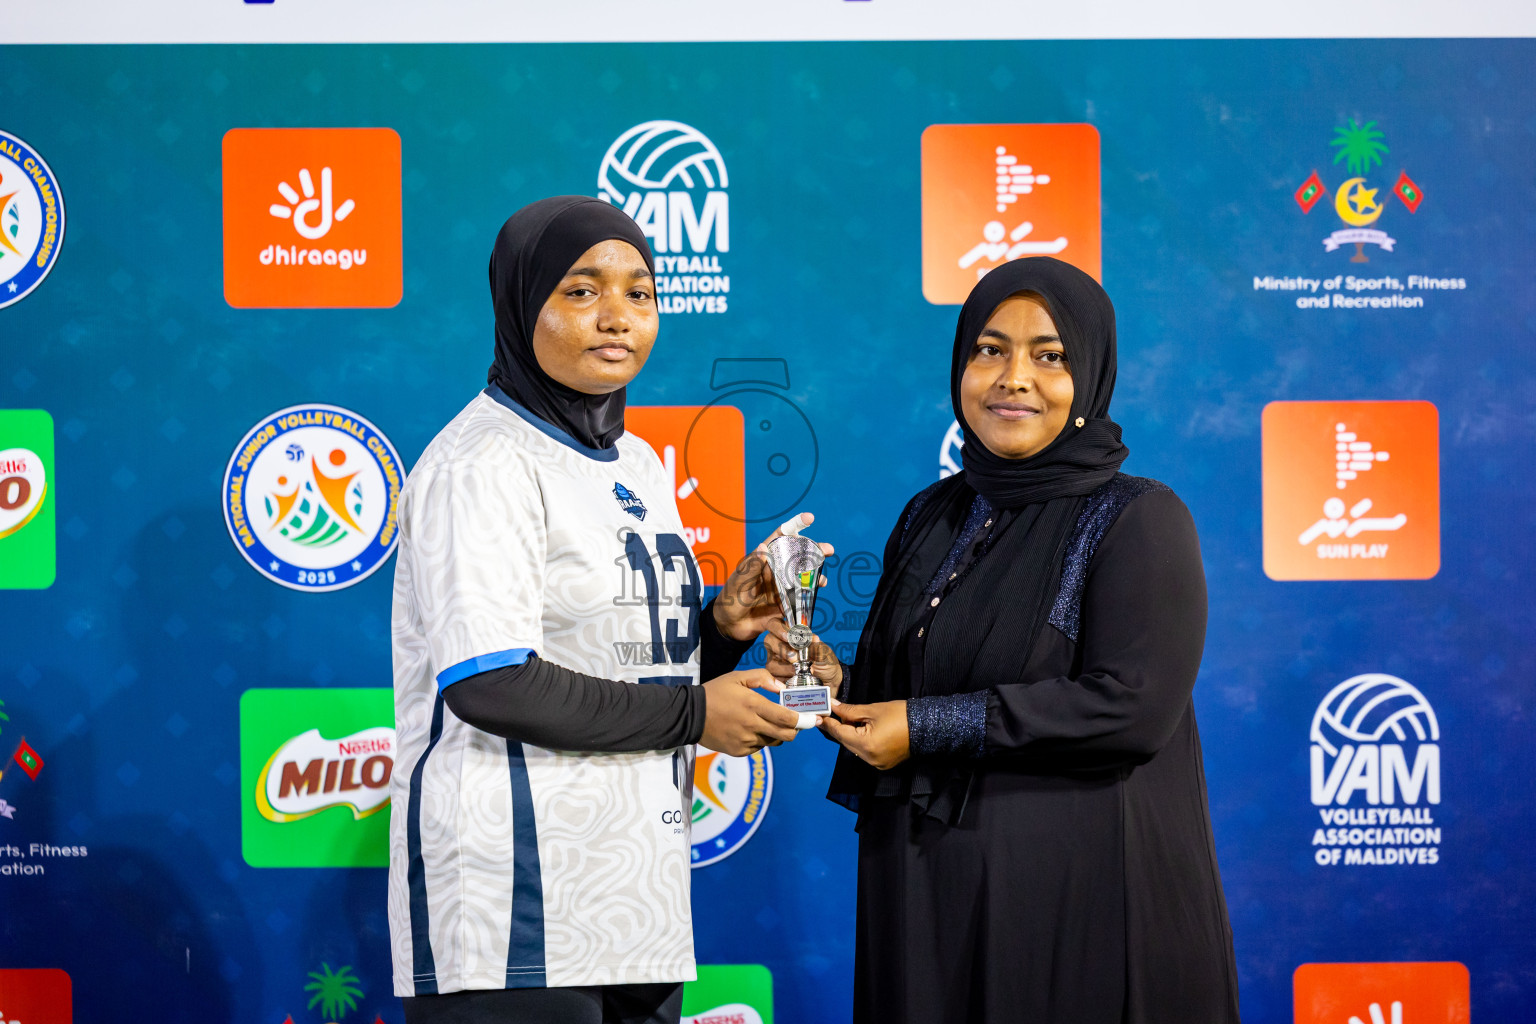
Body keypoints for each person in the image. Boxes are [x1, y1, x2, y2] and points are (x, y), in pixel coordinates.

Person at [767, 257, 1240, 1023]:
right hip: (926, 890)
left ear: (1089, 375)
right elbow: (920, 686)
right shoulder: (933, 514)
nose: (1013, 377)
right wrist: (837, 681)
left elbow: (1132, 708)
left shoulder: (1137, 518)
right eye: (990, 350)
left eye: (1049, 356)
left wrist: (921, 728)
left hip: (1070, 904)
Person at [388, 196, 823, 1024]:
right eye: (582, 291)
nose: (616, 317)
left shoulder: (639, 462)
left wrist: (719, 630)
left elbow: (627, 669)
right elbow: (493, 684)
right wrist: (697, 712)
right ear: (523, 306)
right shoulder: (479, 464)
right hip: (511, 914)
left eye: (640, 292)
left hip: (632, 898)